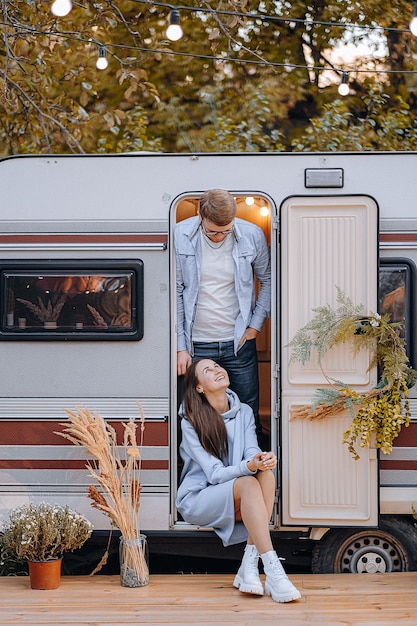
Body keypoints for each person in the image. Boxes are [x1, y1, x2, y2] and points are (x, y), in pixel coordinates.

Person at [176, 358, 301, 603]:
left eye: (217, 367)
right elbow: (213, 474)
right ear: (199, 387)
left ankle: (249, 564)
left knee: (266, 475)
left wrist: (261, 459)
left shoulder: (243, 411)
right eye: (208, 371)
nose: (217, 371)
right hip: (199, 497)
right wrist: (249, 466)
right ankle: (274, 570)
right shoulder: (190, 420)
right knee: (248, 482)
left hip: (234, 494)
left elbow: (250, 451)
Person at [175, 189, 271, 445]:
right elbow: (175, 291)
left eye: (226, 231)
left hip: (238, 342)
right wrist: (180, 347)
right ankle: (206, 474)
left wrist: (255, 325)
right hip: (196, 345)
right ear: (200, 216)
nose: (219, 237)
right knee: (195, 414)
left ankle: (252, 470)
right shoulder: (180, 235)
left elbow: (269, 279)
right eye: (213, 231)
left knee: (248, 410)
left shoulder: (251, 235)